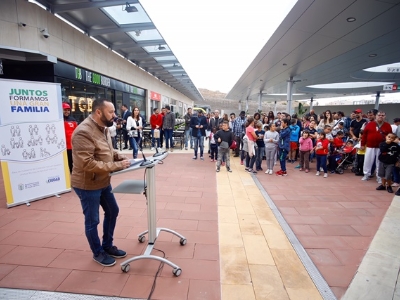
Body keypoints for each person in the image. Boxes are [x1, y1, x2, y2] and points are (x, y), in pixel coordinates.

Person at [71, 99, 131, 267]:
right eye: (111, 112)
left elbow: (108, 151)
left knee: (113, 210)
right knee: (92, 220)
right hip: (87, 185)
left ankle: (107, 246)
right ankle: (98, 252)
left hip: (103, 180)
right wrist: (117, 165)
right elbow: (87, 164)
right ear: (98, 112)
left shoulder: (104, 128)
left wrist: (120, 157)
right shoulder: (83, 132)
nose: (115, 115)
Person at [360, 111, 392, 183]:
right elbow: (364, 135)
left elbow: (390, 136)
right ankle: (366, 174)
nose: (381, 116)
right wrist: (362, 144)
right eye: (379, 115)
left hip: (381, 146)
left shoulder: (387, 125)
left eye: (382, 115)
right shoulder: (369, 124)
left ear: (385, 116)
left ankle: (379, 176)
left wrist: (388, 145)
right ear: (376, 116)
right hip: (370, 146)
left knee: (380, 162)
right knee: (368, 160)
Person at [62, 102, 78, 173]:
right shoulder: (59, 120)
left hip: (72, 146)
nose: (67, 112)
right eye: (65, 110)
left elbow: (76, 132)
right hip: (63, 147)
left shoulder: (73, 120)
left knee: (72, 164)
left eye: (68, 110)